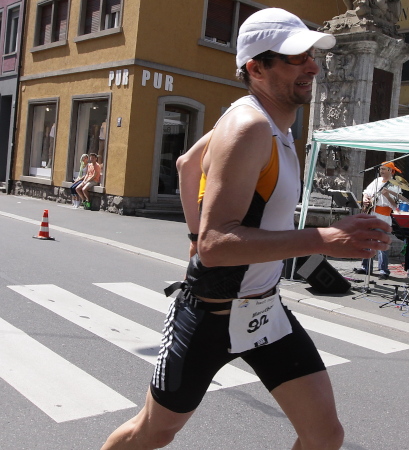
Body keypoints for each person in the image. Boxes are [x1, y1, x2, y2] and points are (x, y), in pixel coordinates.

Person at [101, 8, 392, 450]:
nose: (313, 67)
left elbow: (187, 164)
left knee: (323, 435)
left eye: (311, 56)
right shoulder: (250, 126)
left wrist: (195, 237)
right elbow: (217, 247)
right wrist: (325, 239)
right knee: (153, 432)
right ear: (256, 68)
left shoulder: (269, 122)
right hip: (211, 316)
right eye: (296, 58)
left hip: (263, 310)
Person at [354, 161, 403, 279]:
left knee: (381, 244)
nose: (381, 171)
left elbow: (395, 206)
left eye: (384, 169)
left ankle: (383, 270)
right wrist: (365, 198)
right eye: (380, 169)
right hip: (371, 214)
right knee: (366, 241)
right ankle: (366, 267)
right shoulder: (377, 181)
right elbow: (366, 192)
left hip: (383, 217)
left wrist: (387, 196)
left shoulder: (395, 186)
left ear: (390, 171)